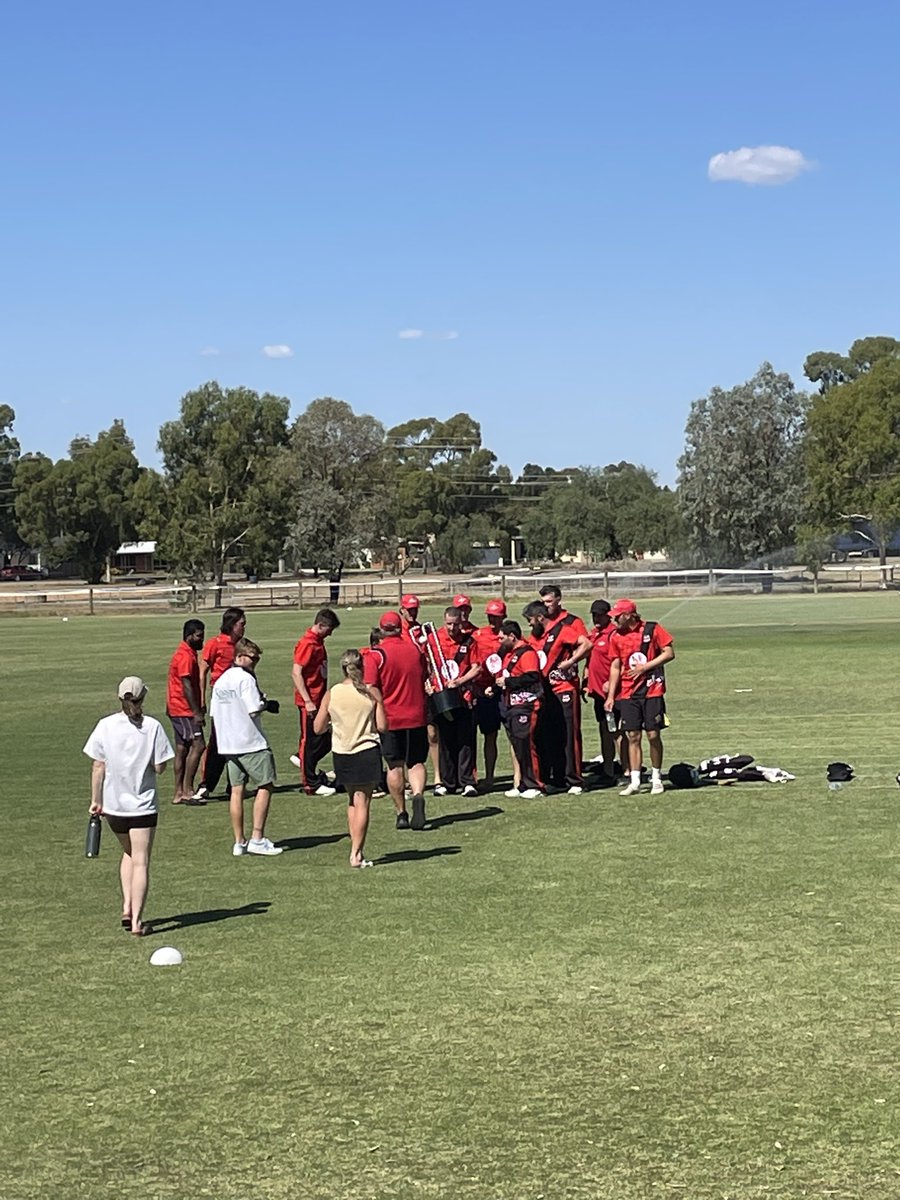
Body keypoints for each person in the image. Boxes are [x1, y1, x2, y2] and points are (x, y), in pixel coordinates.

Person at [83, 676, 174, 936]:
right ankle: (136, 922)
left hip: (114, 807)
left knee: (129, 854)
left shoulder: (105, 725)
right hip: (142, 806)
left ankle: (126, 907)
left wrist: (96, 800)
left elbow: (98, 765)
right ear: (143, 697)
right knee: (141, 861)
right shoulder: (153, 727)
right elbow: (159, 767)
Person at [314, 649, 387, 867]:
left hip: (342, 753)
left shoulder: (333, 692)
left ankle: (354, 850)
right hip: (366, 751)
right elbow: (382, 726)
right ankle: (357, 852)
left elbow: (317, 727)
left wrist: (334, 725)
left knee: (352, 802)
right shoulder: (370, 692)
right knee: (363, 802)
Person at [211, 637, 283, 856]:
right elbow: (253, 708)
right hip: (249, 741)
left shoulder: (222, 680)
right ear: (239, 657)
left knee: (236, 790)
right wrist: (266, 704)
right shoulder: (245, 679)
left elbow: (215, 713)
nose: (255, 663)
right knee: (266, 784)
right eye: (252, 658)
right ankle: (257, 838)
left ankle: (239, 841)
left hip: (228, 743)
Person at [363, 611, 429, 829]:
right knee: (417, 762)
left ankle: (401, 812)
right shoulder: (415, 650)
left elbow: (370, 685)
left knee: (394, 765)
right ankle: (418, 795)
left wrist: (379, 706)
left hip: (390, 717)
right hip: (417, 714)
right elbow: (424, 675)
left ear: (382, 630)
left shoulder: (376, 655)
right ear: (400, 628)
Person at [604, 599, 675, 797]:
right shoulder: (615, 636)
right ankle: (634, 780)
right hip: (628, 693)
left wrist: (646, 667)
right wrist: (611, 696)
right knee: (632, 736)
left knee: (653, 734)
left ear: (628, 615)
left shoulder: (652, 629)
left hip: (653, 690)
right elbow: (616, 666)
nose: (614, 620)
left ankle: (657, 777)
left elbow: (669, 653)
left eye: (617, 616)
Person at [523, 600, 589, 793]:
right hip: (544, 691)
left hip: (564, 689)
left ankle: (575, 780)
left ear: (540, 617)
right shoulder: (535, 637)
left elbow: (586, 644)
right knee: (549, 734)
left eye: (530, 620)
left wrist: (571, 661)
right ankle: (556, 776)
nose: (529, 624)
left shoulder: (563, 630)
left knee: (569, 734)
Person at [195, 607, 246, 800]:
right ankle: (206, 784)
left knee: (239, 740)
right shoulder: (214, 644)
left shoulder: (241, 646)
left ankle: (235, 784)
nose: (244, 628)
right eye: (242, 624)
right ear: (232, 624)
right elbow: (203, 671)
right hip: (222, 700)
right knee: (217, 741)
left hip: (240, 700)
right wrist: (201, 699)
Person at [431, 606, 482, 798]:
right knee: (445, 739)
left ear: (462, 623)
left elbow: (476, 667)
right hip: (442, 697)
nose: (452, 628)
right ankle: (447, 781)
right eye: (449, 624)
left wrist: (460, 681)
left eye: (456, 624)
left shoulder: (469, 642)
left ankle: (467, 781)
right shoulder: (434, 640)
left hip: (464, 697)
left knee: (465, 740)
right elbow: (425, 664)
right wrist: (429, 684)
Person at [290, 608, 340, 796]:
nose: (331, 633)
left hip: (319, 699)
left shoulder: (318, 642)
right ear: (320, 625)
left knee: (325, 737)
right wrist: (307, 700)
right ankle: (310, 783)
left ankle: (304, 762)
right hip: (310, 701)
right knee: (309, 740)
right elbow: (296, 673)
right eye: (329, 629)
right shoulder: (308, 644)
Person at [493, 621, 544, 798]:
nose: (499, 641)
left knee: (526, 743)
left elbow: (532, 676)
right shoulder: (509, 654)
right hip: (513, 704)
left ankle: (535, 784)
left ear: (511, 636)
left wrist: (508, 683)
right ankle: (523, 782)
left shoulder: (527, 653)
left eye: (501, 638)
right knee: (518, 744)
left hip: (527, 705)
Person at [166, 618, 206, 805]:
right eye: (199, 636)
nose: (202, 639)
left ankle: (178, 792)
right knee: (198, 745)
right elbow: (186, 684)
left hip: (177, 708)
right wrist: (196, 711)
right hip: (183, 709)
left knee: (182, 748)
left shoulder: (187, 652)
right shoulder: (185, 656)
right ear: (189, 636)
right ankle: (188, 790)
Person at [582, 600, 620, 786]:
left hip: (612, 693)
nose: (596, 618)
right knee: (604, 730)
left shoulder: (614, 634)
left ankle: (627, 770)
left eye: (599, 614)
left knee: (616, 732)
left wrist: (610, 684)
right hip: (597, 694)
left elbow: (619, 663)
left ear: (608, 615)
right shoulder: (594, 635)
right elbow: (590, 661)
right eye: (594, 615)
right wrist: (586, 680)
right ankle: (608, 770)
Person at [471, 598, 507, 791]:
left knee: (492, 736)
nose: (493, 620)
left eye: (497, 617)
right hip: (481, 690)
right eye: (490, 617)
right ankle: (472, 777)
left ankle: (491, 776)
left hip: (501, 689)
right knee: (473, 736)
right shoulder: (478, 635)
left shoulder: (507, 635)